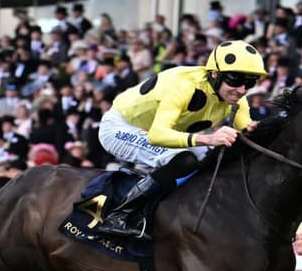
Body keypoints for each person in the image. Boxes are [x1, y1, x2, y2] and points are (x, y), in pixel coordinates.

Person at [96, 40, 266, 237]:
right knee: (185, 160)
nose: (242, 90)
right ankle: (119, 215)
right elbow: (157, 135)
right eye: (235, 81)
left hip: (159, 132)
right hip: (120, 128)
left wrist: (260, 129)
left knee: (213, 159)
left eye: (250, 83)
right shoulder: (184, 85)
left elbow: (248, 130)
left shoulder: (236, 97)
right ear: (215, 74)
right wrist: (208, 139)